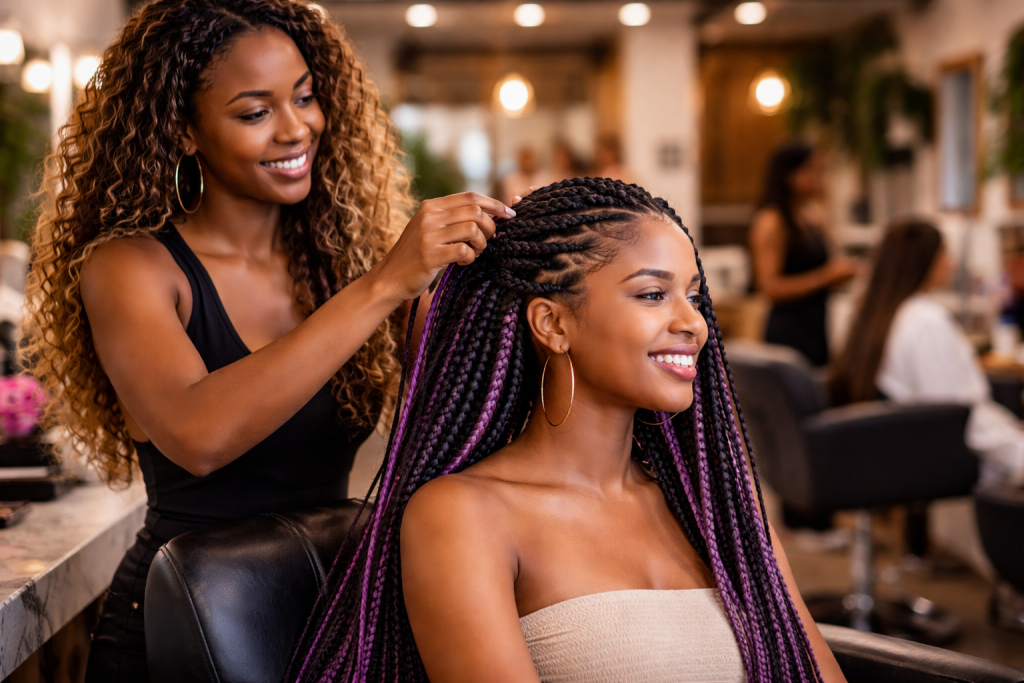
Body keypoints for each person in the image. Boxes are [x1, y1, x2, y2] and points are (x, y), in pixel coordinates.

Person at [20, 2, 514, 681]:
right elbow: (200, 432)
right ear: (184, 130)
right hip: (183, 625)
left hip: (325, 614)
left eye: (305, 97)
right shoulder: (132, 267)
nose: (296, 128)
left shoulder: (339, 259)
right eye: (255, 113)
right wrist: (381, 286)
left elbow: (464, 401)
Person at [290, 178, 847, 683]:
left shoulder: (716, 499)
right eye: (654, 294)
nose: (694, 323)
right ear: (552, 324)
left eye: (693, 295)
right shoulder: (462, 515)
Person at [831, 219, 1024, 486]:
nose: (951, 262)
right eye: (944, 253)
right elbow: (960, 415)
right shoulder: (925, 320)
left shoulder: (875, 314)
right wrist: (1016, 446)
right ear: (923, 261)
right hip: (938, 450)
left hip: (894, 448)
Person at [750, 143, 858, 368]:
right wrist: (826, 278)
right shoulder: (771, 221)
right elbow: (769, 287)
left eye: (822, 170)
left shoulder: (812, 214)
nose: (820, 177)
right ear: (789, 175)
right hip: (789, 328)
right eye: (812, 170)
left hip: (816, 322)